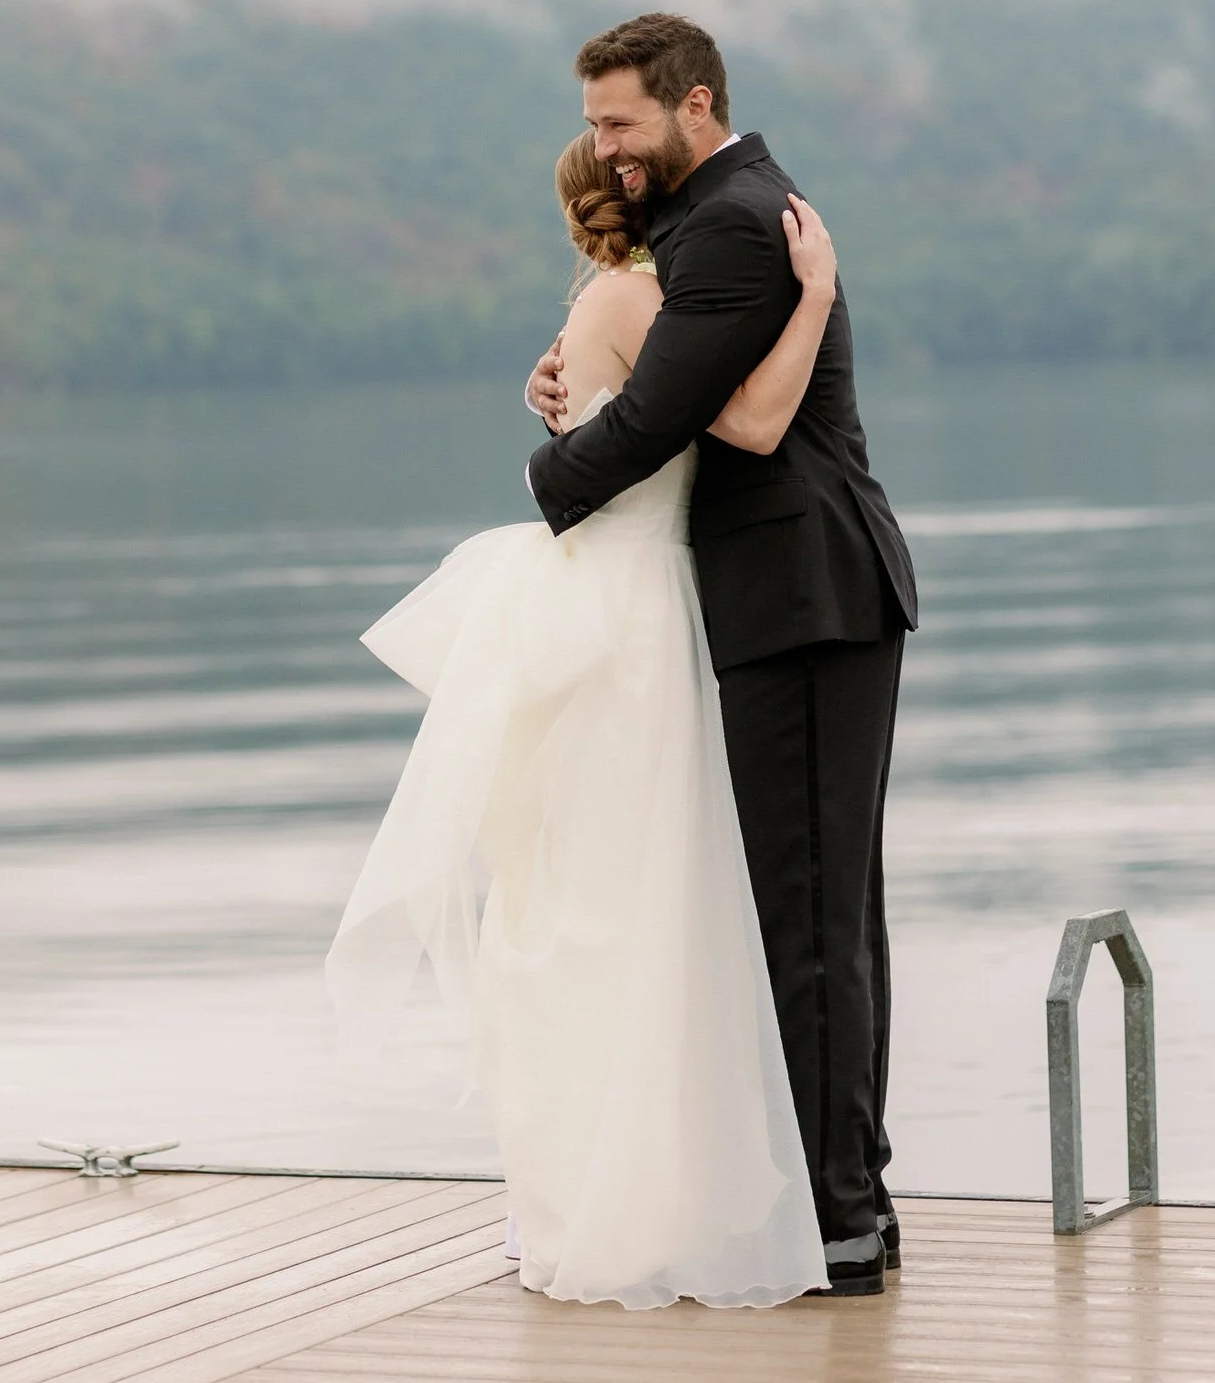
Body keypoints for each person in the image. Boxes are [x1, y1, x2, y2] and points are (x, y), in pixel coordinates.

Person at [328, 128, 847, 1308]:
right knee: (640, 907)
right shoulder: (650, 302)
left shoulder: (610, 308)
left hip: (602, 606)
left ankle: (572, 1192)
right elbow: (751, 423)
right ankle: (639, 1189)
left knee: (573, 908)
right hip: (634, 621)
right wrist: (813, 292)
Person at [525, 14, 917, 1297]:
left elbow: (672, 422)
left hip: (801, 595)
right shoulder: (715, 223)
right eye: (593, 124)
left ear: (695, 106)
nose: (605, 146)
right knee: (818, 912)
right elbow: (675, 384)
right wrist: (580, 366)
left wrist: (552, 467)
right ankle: (843, 1193)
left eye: (620, 121)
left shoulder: (741, 223)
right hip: (789, 596)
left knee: (808, 921)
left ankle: (841, 1220)